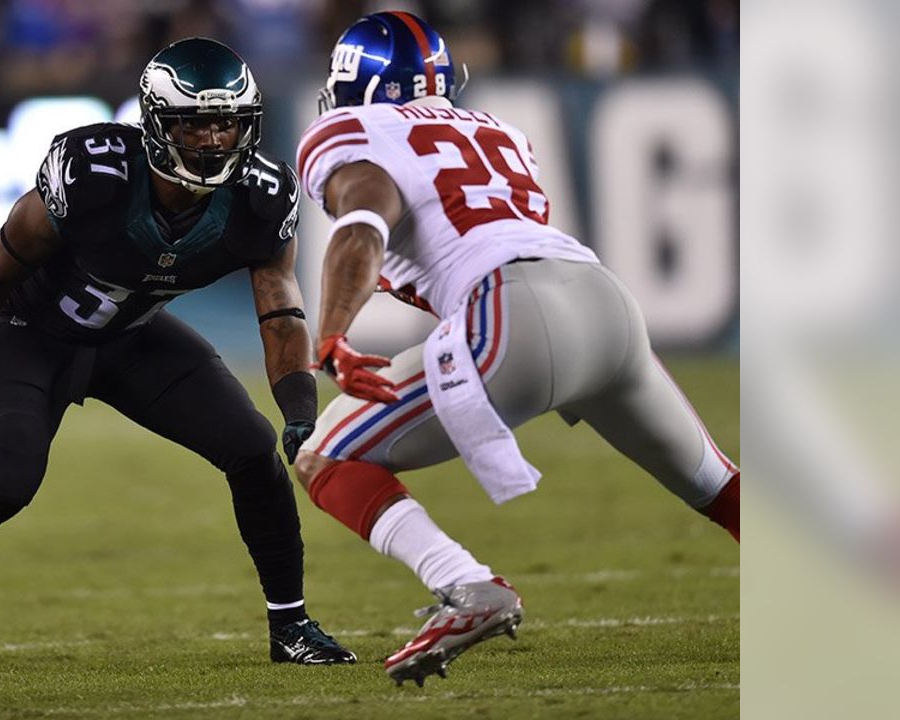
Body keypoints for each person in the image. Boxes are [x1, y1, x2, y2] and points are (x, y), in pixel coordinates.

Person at [0, 37, 356, 666]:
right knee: (6, 485)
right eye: (196, 124)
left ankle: (291, 626)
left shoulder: (261, 195)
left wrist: (299, 410)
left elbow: (279, 310)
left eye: (228, 123)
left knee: (251, 448)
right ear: (158, 124)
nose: (215, 140)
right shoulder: (93, 174)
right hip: (35, 335)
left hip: (132, 339)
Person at [292, 11, 739, 685]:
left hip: (513, 314)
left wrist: (329, 332)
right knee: (717, 486)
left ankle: (468, 586)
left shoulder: (353, 130)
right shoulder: (500, 132)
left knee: (323, 453)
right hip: (606, 304)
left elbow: (362, 220)